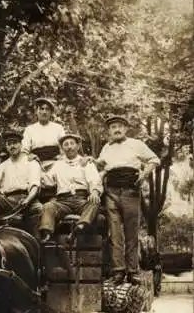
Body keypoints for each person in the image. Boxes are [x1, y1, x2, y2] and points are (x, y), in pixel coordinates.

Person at [96, 115, 160, 285]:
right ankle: (118, 271)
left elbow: (154, 160)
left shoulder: (136, 144)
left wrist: (144, 175)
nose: (116, 129)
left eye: (119, 126)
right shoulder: (106, 148)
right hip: (111, 192)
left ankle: (132, 271)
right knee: (115, 234)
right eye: (112, 127)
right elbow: (101, 166)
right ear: (109, 131)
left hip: (131, 191)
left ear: (125, 128)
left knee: (131, 233)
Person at [39, 133, 103, 242]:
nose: (69, 147)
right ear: (62, 148)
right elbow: (48, 181)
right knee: (48, 206)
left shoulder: (86, 162)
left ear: (78, 146)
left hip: (81, 199)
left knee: (95, 202)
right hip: (63, 201)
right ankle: (47, 234)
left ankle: (80, 226)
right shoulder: (58, 165)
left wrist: (95, 192)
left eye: (72, 144)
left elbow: (94, 180)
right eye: (66, 144)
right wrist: (37, 166)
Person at [21, 97, 65, 169]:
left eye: (47, 109)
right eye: (41, 109)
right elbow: (24, 150)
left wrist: (62, 156)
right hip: (36, 162)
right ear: (36, 111)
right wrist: (29, 156)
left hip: (55, 161)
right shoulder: (29, 129)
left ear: (51, 113)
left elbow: (63, 148)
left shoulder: (58, 128)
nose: (44, 112)